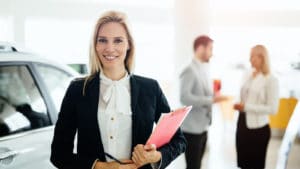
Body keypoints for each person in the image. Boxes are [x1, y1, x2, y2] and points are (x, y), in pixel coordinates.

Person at [50, 11, 186, 169]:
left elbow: (179, 141)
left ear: (129, 44)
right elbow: (58, 154)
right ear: (95, 45)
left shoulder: (150, 88)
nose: (109, 48)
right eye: (102, 40)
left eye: (118, 41)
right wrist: (102, 167)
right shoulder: (77, 90)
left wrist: (155, 156)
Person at [179, 35, 227, 169]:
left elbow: (203, 92)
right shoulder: (189, 69)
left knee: (198, 165)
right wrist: (211, 100)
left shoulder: (203, 68)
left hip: (202, 126)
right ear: (200, 48)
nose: (212, 53)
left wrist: (214, 94)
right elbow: (184, 97)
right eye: (210, 49)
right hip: (192, 130)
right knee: (193, 166)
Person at [234, 45, 279, 169]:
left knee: (255, 165)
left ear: (262, 58)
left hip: (258, 129)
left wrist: (246, 106)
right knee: (243, 163)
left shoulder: (271, 80)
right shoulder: (247, 74)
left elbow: (273, 109)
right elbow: (244, 95)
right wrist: (239, 103)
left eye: (252, 56)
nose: (250, 59)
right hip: (242, 124)